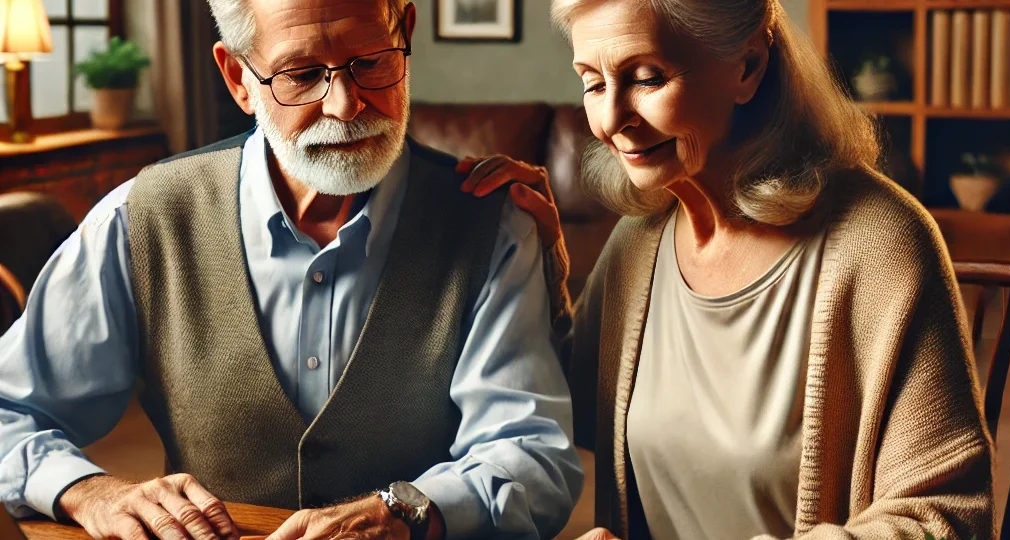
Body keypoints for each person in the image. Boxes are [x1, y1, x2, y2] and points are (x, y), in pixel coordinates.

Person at [0, 1, 583, 539]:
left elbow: (531, 454)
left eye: (370, 61)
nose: (345, 104)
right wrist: (87, 490)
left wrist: (410, 510)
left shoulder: (494, 226)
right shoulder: (142, 219)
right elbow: (10, 410)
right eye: (302, 75)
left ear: (404, 34)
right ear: (238, 80)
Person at [461, 0, 995, 538]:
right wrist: (533, 258)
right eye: (593, 83)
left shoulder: (882, 245)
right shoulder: (640, 243)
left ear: (748, 66)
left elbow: (946, 517)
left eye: (646, 78)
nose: (608, 121)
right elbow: (565, 405)